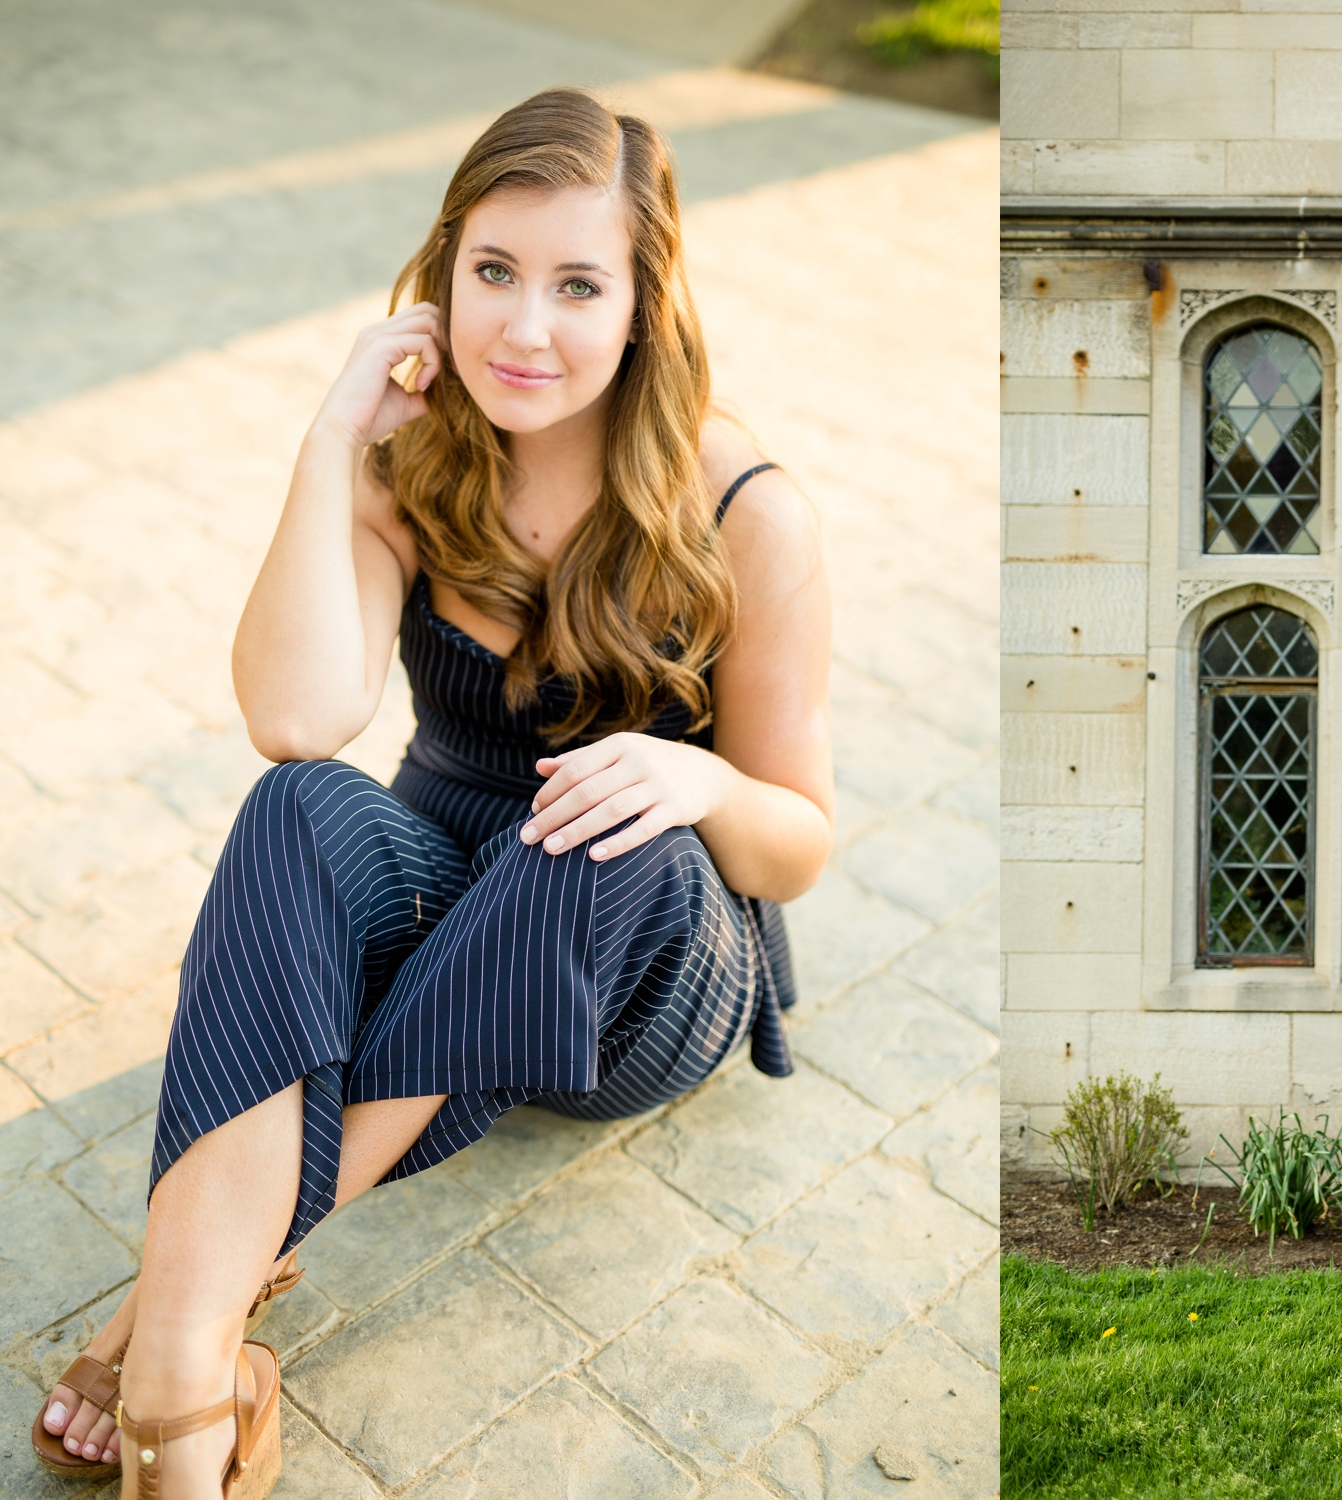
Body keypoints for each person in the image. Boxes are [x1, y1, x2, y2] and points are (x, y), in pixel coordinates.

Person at [32, 87, 832, 1498]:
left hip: (642, 959)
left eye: (580, 284)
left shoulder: (745, 511)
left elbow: (795, 852)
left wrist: (691, 771)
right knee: (294, 808)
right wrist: (333, 435)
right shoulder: (416, 457)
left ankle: (175, 1334)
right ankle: (195, 1356)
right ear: (444, 272)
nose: (528, 328)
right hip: (453, 871)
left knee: (604, 831)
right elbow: (295, 717)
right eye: (496, 274)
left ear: (645, 302)